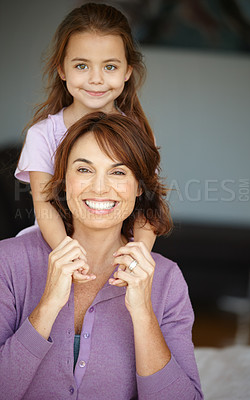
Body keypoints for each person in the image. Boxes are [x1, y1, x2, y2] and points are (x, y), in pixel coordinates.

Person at [1, 113, 203, 400]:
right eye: (84, 170)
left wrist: (143, 313)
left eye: (118, 172)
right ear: (63, 180)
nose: (99, 187)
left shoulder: (167, 280)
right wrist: (47, 306)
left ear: (139, 186)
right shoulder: (7, 262)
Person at [15, 2, 156, 259]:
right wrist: (69, 255)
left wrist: (140, 252)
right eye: (82, 65)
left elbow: (149, 206)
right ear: (62, 69)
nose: (96, 79)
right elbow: (45, 208)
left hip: (114, 254)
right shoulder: (42, 135)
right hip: (53, 250)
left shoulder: (139, 134)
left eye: (110, 67)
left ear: (127, 71)